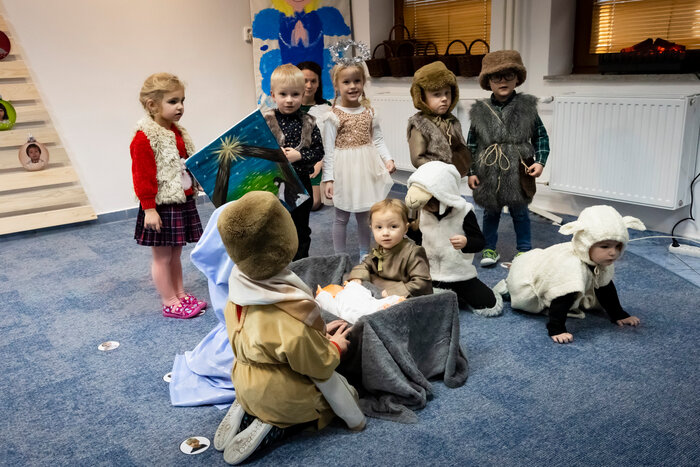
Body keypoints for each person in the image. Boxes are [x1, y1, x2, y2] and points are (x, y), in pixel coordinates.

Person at [213, 191, 365, 464]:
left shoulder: (236, 292)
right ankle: (276, 424)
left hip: (243, 379)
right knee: (339, 395)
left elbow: (265, 341)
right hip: (281, 395)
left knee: (260, 384)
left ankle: (247, 406)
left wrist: (317, 333)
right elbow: (316, 364)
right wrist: (334, 346)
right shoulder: (289, 316)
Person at [498, 205, 645, 344]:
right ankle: (506, 290)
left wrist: (619, 314)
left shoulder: (601, 261)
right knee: (527, 298)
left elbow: (605, 287)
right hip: (527, 275)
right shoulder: (571, 267)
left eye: (618, 246)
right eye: (605, 246)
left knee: (592, 289)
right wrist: (557, 329)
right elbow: (561, 299)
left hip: (545, 264)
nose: (613, 252)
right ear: (585, 243)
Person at [130, 72, 206, 319]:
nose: (180, 106)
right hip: (161, 206)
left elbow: (184, 164)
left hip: (180, 201)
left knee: (175, 254)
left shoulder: (177, 132)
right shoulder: (144, 138)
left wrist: (197, 182)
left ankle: (180, 293)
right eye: (173, 101)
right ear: (152, 105)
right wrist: (149, 209)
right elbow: (142, 176)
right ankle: (169, 301)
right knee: (162, 257)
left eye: (182, 100)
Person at [466, 50, 550, 267]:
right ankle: (489, 248)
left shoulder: (527, 108)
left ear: (517, 78)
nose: (503, 81)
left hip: (519, 167)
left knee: (520, 212)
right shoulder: (480, 111)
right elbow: (471, 144)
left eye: (508, 75)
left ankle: (524, 250)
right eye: (496, 77)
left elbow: (540, 136)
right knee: (490, 213)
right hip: (489, 169)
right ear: (488, 81)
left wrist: (540, 161)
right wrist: (471, 172)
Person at [405, 161, 503, 316]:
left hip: (459, 274)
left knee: (490, 305)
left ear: (444, 195)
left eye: (430, 202)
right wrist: (409, 230)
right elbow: (420, 240)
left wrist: (466, 242)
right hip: (430, 274)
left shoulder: (464, 212)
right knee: (418, 305)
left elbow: (479, 242)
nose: (425, 207)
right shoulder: (423, 212)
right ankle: (447, 296)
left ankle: (455, 295)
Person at [322, 61, 396, 260]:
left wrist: (387, 158)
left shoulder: (370, 112)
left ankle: (364, 252)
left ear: (363, 83)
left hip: (366, 169)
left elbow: (378, 140)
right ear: (337, 85)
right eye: (346, 82)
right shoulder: (332, 116)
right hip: (343, 171)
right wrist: (328, 178)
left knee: (364, 215)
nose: (352, 86)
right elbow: (328, 150)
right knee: (341, 216)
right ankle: (339, 257)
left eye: (357, 81)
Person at [263, 64, 324, 260]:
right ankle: (279, 265)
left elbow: (319, 151)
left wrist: (300, 156)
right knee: (276, 228)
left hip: (301, 184)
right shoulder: (266, 121)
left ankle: (300, 264)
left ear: (303, 94)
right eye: (283, 94)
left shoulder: (309, 122)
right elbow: (256, 152)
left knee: (301, 228)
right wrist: (274, 153)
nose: (289, 100)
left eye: (295, 94)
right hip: (273, 184)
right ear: (273, 95)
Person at [348, 198, 432, 298]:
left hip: (406, 296)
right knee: (349, 278)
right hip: (382, 289)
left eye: (393, 226)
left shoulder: (413, 253)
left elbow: (422, 282)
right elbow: (366, 264)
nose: (385, 233)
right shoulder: (379, 248)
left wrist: (395, 291)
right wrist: (357, 277)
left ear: (405, 228)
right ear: (372, 228)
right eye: (379, 227)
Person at [407, 61, 472, 177]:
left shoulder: (452, 121)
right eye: (437, 94)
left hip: (455, 177)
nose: (444, 98)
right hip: (434, 178)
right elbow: (417, 158)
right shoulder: (419, 125)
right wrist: (441, 171)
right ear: (422, 97)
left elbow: (460, 146)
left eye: (447, 93)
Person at [297, 60, 332, 211]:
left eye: (313, 81)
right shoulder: (288, 106)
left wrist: (320, 163)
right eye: (305, 81)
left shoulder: (327, 108)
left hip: (318, 159)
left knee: (314, 203)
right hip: (296, 159)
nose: (309, 85)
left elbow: (332, 140)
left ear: (318, 84)